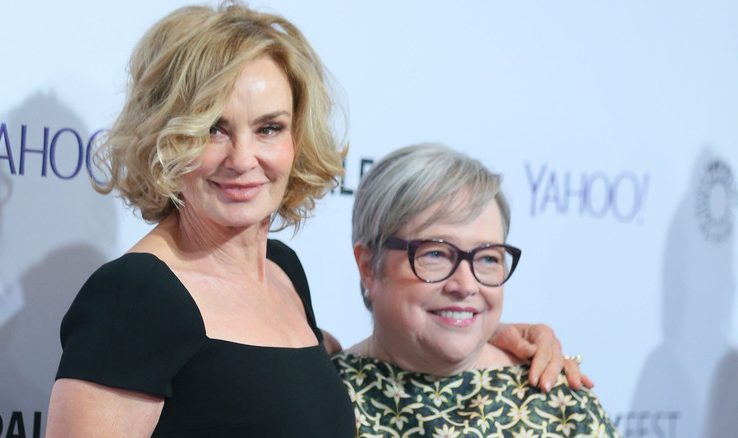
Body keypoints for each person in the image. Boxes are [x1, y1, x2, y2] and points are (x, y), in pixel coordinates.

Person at [46, 4, 588, 437]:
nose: (242, 158)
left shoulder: (280, 269)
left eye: (269, 128)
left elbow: (285, 377)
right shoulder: (134, 295)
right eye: (213, 129)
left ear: (297, 139)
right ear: (169, 138)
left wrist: (489, 336)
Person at [334, 143, 619, 437]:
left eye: (487, 258)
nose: (466, 286)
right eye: (436, 254)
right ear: (369, 266)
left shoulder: (558, 403)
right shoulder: (317, 396)